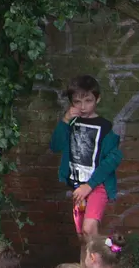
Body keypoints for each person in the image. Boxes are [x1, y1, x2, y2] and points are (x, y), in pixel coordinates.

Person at [51, 74, 122, 241]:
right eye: (77, 101)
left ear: (97, 99)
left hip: (97, 184)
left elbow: (113, 159)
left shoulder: (105, 127)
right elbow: (55, 146)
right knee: (82, 236)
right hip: (78, 186)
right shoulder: (71, 123)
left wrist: (89, 185)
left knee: (89, 229)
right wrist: (65, 120)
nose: (83, 106)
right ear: (71, 103)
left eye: (88, 101)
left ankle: (101, 264)